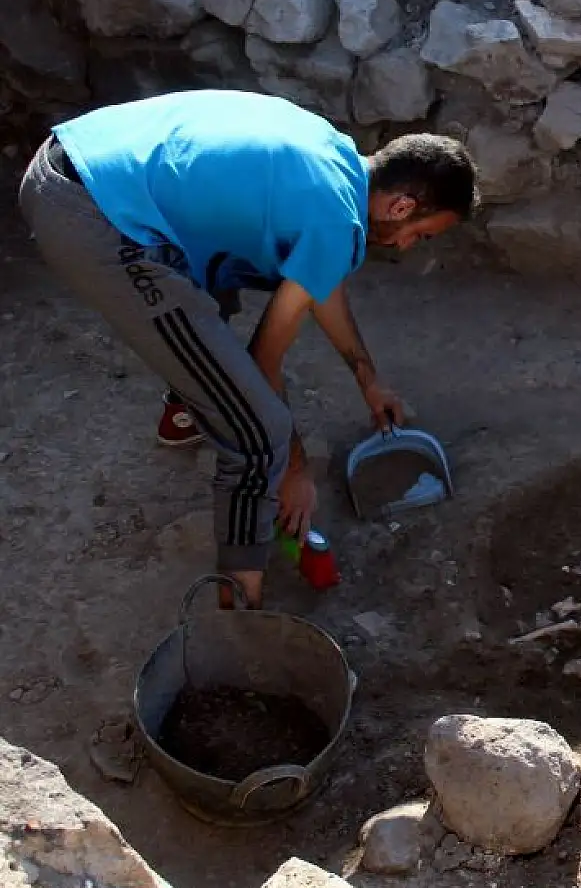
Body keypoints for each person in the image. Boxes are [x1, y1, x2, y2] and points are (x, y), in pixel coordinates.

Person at [17, 89, 478, 608]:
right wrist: (294, 470)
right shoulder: (337, 221)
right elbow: (265, 357)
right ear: (402, 206)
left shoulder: (334, 159)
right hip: (93, 217)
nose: (406, 245)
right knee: (259, 432)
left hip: (77, 159)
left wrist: (366, 375)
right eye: (421, 234)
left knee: (221, 284)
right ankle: (239, 608)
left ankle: (185, 418)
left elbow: (317, 279)